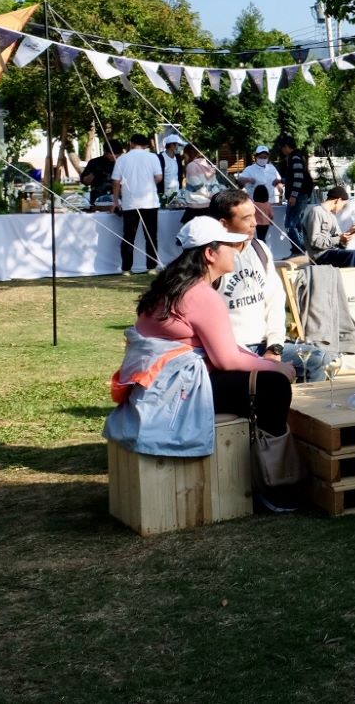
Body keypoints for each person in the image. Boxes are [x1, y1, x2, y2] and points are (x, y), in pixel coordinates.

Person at [133, 215, 299, 512]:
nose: (237, 251)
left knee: (259, 379)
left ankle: (254, 471)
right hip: (180, 394)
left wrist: (262, 361)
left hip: (160, 385)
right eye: (230, 246)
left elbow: (224, 350)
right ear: (210, 253)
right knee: (273, 387)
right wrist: (277, 368)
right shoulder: (201, 295)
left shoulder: (172, 287)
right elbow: (226, 359)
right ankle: (272, 483)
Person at [208, 189, 332, 383]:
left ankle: (304, 403)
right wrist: (258, 361)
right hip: (231, 352)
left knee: (319, 359)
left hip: (265, 345)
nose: (255, 223)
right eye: (246, 218)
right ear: (224, 224)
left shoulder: (259, 249)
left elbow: (275, 302)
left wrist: (274, 348)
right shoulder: (211, 260)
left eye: (254, 215)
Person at [112, 133, 164, 275]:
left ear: (131, 143)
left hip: (130, 202)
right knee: (151, 236)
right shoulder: (153, 157)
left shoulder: (122, 159)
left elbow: (116, 181)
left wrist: (115, 201)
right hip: (150, 202)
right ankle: (151, 267)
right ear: (146, 145)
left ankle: (126, 268)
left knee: (129, 236)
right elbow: (159, 177)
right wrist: (149, 181)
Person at [304, 186, 355, 268]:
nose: (342, 208)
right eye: (343, 205)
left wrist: (349, 234)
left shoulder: (332, 216)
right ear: (338, 200)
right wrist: (339, 239)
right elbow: (314, 242)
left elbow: (340, 242)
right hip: (320, 256)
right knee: (353, 256)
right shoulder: (316, 212)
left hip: (334, 252)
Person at [275, 135, 315, 255]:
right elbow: (295, 177)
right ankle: (301, 250)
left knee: (290, 225)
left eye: (282, 147)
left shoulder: (295, 157)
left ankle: (298, 251)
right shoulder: (297, 156)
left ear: (287, 146)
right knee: (297, 225)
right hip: (301, 194)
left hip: (298, 195)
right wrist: (282, 181)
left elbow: (298, 178)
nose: (282, 150)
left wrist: (293, 196)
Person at [236, 144, 284, 243]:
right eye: (260, 157)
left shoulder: (271, 168)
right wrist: (248, 179)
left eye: (265, 157)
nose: (263, 159)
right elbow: (240, 180)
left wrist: (279, 186)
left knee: (268, 233)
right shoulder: (250, 169)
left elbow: (278, 180)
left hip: (271, 202)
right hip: (255, 205)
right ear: (256, 157)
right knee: (255, 230)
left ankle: (265, 245)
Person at [177, 143, 221, 224]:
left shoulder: (191, 166)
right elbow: (216, 185)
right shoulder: (208, 165)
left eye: (185, 154)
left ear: (189, 153)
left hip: (195, 207)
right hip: (209, 206)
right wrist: (212, 196)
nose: (184, 157)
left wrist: (209, 195)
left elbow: (197, 186)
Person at [80, 139, 121, 212]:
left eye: (117, 154)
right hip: (98, 202)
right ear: (105, 152)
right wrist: (94, 172)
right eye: (112, 154)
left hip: (118, 202)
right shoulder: (95, 162)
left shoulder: (122, 163)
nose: (115, 156)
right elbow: (85, 182)